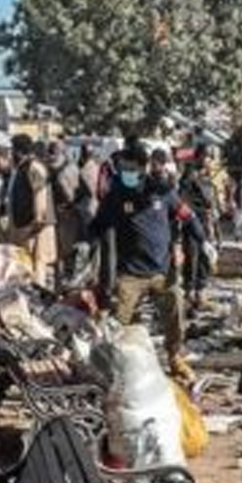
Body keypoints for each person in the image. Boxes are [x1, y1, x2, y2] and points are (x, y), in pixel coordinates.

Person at [89, 142, 204, 382]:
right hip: (129, 275)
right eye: (123, 168)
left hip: (162, 272)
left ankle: (174, 357)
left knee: (175, 313)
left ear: (144, 167)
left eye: (131, 168)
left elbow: (187, 215)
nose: (126, 173)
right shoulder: (115, 197)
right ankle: (114, 369)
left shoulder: (161, 191)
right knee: (118, 324)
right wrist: (85, 243)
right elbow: (96, 227)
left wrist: (200, 237)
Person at [7, 134, 58, 287]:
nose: (11, 154)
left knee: (38, 266)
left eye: (13, 150)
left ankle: (38, 301)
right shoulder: (23, 167)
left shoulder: (34, 168)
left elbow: (40, 196)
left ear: (19, 151)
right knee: (26, 265)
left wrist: (37, 223)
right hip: (25, 227)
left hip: (35, 229)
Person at [178, 156, 221, 310]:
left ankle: (200, 291)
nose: (211, 164)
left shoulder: (209, 183)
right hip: (192, 225)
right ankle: (189, 293)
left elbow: (215, 205)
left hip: (206, 225)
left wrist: (215, 228)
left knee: (204, 259)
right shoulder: (188, 181)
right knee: (192, 258)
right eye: (209, 160)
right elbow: (183, 204)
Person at [49, 141, 85, 285]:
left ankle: (64, 281)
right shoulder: (72, 167)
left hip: (65, 212)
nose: (51, 155)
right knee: (63, 250)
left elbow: (71, 193)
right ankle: (63, 280)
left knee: (64, 250)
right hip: (66, 212)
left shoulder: (62, 169)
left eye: (53, 151)